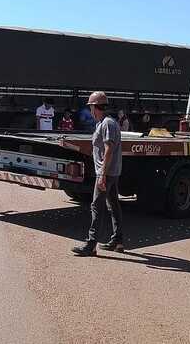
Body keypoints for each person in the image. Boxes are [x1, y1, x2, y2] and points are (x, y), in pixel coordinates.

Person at [72, 91, 124, 256]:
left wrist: (102, 174)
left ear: (95, 107)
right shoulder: (102, 123)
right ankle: (118, 240)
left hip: (106, 173)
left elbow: (109, 148)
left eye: (91, 107)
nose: (90, 111)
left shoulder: (107, 123)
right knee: (113, 205)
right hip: (110, 172)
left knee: (96, 206)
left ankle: (91, 244)